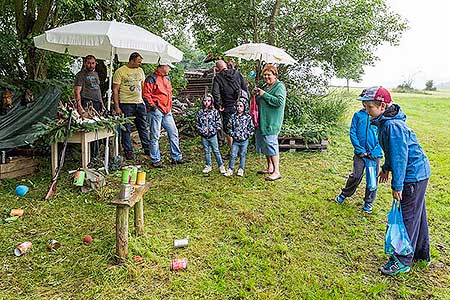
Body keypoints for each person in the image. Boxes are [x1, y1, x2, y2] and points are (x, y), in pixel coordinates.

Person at [361, 86, 431, 276]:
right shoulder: (387, 122)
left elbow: (401, 157)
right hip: (418, 173)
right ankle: (420, 254)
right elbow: (392, 151)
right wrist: (385, 168)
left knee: (407, 217)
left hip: (413, 175)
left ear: (382, 106)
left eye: (369, 108)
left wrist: (397, 185)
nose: (366, 112)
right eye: (365, 107)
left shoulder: (392, 126)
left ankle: (402, 261)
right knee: (417, 215)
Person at [335, 102, 383, 213]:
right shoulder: (358, 115)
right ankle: (344, 194)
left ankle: (368, 202)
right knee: (356, 176)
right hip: (360, 155)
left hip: (373, 156)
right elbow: (353, 132)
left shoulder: (379, 118)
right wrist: (359, 150)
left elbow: (382, 137)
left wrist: (375, 152)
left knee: (372, 180)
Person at [143, 62, 183, 167]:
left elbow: (169, 94)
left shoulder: (167, 78)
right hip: (156, 111)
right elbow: (146, 95)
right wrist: (153, 107)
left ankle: (176, 158)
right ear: (163, 66)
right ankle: (155, 160)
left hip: (167, 111)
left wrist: (168, 107)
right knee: (155, 136)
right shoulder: (151, 78)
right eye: (169, 67)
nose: (170, 69)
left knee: (173, 133)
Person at [113, 52, 151, 160]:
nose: (140, 64)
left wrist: (145, 101)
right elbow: (115, 89)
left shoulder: (140, 70)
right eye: (138, 61)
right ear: (132, 60)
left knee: (143, 127)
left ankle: (147, 149)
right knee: (126, 129)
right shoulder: (120, 71)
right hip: (125, 103)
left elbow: (143, 87)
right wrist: (117, 106)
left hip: (139, 103)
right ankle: (128, 151)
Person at [254, 64, 286, 181]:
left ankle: (277, 171)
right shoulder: (265, 86)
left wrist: (264, 94)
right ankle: (270, 167)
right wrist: (257, 94)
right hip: (262, 120)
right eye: (265, 75)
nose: (266, 77)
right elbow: (259, 101)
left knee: (271, 144)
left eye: (269, 75)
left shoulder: (279, 86)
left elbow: (279, 102)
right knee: (265, 144)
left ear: (275, 75)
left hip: (272, 121)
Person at [212, 60, 248, 153]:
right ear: (226, 66)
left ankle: (233, 152)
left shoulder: (218, 77)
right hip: (239, 105)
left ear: (217, 68)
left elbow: (215, 93)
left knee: (228, 129)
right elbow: (244, 88)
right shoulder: (237, 74)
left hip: (227, 106)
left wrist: (218, 105)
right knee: (240, 126)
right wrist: (244, 103)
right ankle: (241, 150)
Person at [196, 94, 226, 174]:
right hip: (204, 135)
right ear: (202, 101)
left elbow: (219, 123)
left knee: (216, 150)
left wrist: (214, 130)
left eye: (208, 101)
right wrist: (201, 130)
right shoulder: (200, 112)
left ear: (211, 101)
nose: (206, 102)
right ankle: (208, 165)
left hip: (213, 135)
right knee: (207, 151)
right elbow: (197, 123)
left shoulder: (215, 112)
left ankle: (221, 165)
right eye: (205, 100)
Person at [224, 98, 255, 177]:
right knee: (233, 154)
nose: (239, 107)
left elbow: (251, 128)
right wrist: (233, 134)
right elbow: (229, 127)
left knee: (243, 154)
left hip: (244, 140)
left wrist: (247, 135)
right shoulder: (233, 117)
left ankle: (241, 169)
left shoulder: (248, 117)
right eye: (237, 106)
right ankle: (230, 169)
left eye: (241, 106)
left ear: (244, 107)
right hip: (236, 141)